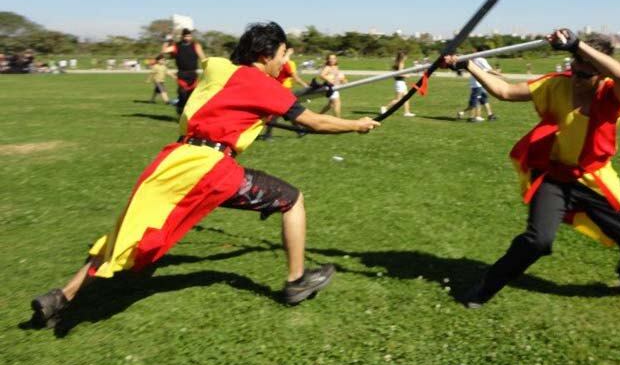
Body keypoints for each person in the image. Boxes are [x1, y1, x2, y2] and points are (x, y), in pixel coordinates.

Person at [29, 22, 380, 329]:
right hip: (211, 170)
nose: (284, 62)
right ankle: (297, 280)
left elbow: (244, 103)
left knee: (129, 228)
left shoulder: (220, 71)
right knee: (293, 200)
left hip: (173, 161)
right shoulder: (261, 83)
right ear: (266, 53)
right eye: (283, 54)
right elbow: (313, 121)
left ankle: (61, 296)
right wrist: (356, 125)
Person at [446, 29, 620, 307]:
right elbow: (503, 90)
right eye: (574, 70)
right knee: (538, 241)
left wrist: (578, 44)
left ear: (601, 72)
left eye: (585, 74)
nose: (576, 78)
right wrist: (468, 65)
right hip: (553, 177)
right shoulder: (556, 84)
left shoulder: (615, 93)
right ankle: (484, 288)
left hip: (594, 179)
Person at [162, 29, 206, 115]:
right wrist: (167, 40)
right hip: (182, 74)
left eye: (189, 36)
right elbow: (164, 50)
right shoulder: (176, 46)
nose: (187, 38)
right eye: (185, 36)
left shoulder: (196, 46)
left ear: (191, 36)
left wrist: (207, 68)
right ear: (182, 36)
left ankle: (190, 115)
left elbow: (203, 58)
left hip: (193, 74)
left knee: (192, 97)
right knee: (182, 95)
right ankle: (180, 112)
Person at [457, 47, 497, 122]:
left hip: (480, 83)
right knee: (476, 100)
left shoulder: (473, 58)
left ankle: (490, 115)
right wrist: (499, 74)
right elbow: (489, 70)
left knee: (484, 99)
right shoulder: (481, 59)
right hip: (477, 83)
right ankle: (474, 117)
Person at [380, 51, 415, 117]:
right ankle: (385, 107)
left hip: (401, 82)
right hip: (400, 83)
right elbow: (399, 73)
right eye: (406, 56)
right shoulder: (401, 63)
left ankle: (407, 112)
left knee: (406, 98)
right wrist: (407, 75)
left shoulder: (398, 63)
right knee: (398, 99)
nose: (407, 57)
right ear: (403, 57)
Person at [319, 53, 346, 118]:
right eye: (330, 58)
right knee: (337, 103)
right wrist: (328, 80)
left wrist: (343, 80)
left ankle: (318, 115)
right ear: (328, 60)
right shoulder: (327, 67)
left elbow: (338, 76)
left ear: (336, 59)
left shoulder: (336, 67)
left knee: (330, 105)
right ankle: (338, 120)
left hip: (336, 87)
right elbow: (321, 75)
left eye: (334, 58)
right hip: (331, 87)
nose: (332, 60)